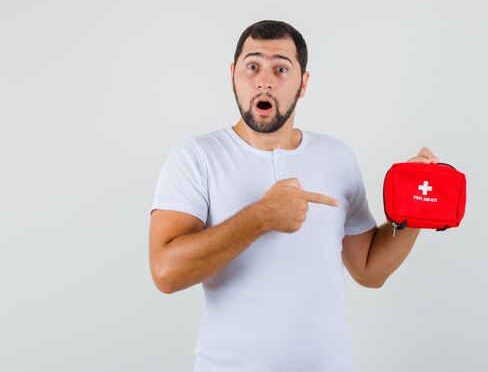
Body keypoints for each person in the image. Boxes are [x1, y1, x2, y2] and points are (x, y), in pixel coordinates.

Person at [149, 20, 439, 372]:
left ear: (303, 84)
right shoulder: (196, 155)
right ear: (232, 76)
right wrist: (260, 217)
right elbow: (165, 272)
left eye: (281, 69)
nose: (264, 80)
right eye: (252, 66)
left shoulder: (337, 156)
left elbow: (369, 271)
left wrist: (413, 210)